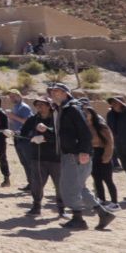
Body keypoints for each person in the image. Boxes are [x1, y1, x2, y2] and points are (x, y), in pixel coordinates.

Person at [49, 83, 115, 231]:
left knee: (68, 187)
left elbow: (84, 131)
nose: (54, 94)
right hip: (71, 153)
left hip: (75, 154)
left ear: (66, 93)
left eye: (57, 91)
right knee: (79, 187)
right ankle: (103, 213)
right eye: (52, 91)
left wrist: (84, 151)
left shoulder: (71, 108)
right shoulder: (63, 109)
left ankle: (78, 219)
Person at [20, 97, 62, 217]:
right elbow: (24, 133)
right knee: (36, 183)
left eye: (42, 104)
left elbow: (61, 134)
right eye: (37, 104)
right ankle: (36, 206)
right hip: (37, 157)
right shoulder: (32, 119)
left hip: (56, 158)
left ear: (49, 106)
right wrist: (13, 133)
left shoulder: (57, 119)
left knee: (59, 185)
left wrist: (45, 135)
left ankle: (61, 209)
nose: (39, 107)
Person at [83, 102, 117, 206]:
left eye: (87, 112)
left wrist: (107, 157)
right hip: (92, 155)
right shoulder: (84, 128)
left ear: (92, 114)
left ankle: (114, 202)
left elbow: (110, 142)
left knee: (108, 179)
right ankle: (101, 199)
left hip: (102, 153)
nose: (85, 114)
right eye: (83, 113)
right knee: (97, 179)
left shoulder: (101, 126)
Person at [6, 90, 35, 190]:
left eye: (14, 96)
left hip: (26, 138)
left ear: (20, 96)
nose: (12, 98)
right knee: (24, 162)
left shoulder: (24, 107)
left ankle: (35, 184)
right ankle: (31, 183)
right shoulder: (15, 107)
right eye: (11, 97)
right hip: (18, 137)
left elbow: (28, 122)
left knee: (29, 162)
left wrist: (13, 116)